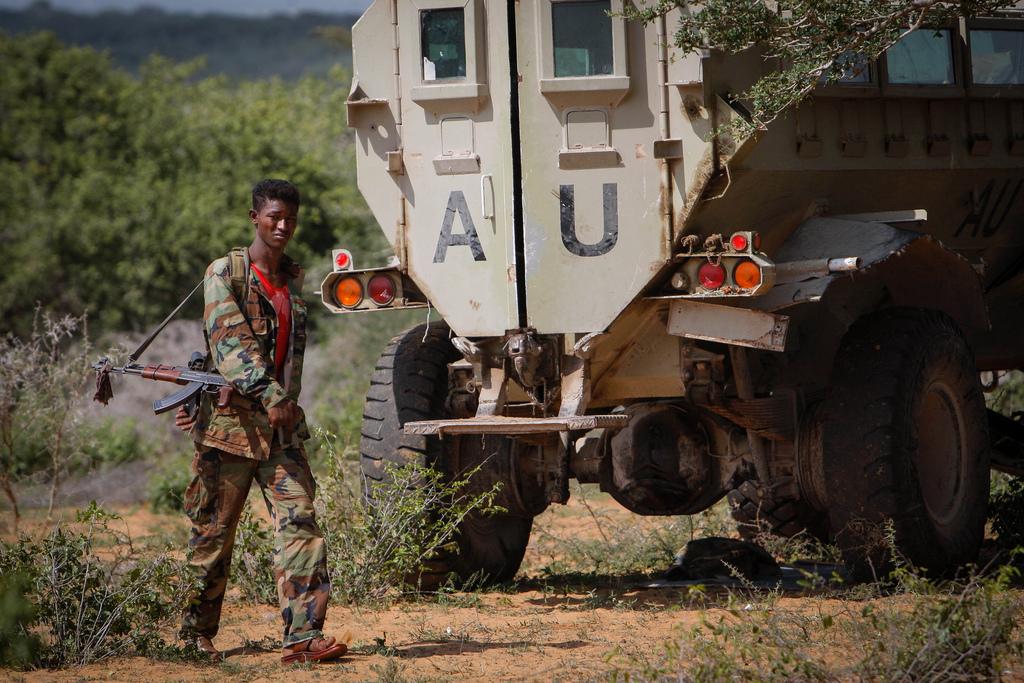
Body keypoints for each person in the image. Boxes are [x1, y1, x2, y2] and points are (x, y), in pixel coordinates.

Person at [175, 179, 346, 664]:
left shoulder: (290, 284)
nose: (282, 225)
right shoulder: (224, 274)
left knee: (301, 525)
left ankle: (303, 636)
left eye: (289, 218)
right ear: (255, 217)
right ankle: (195, 635)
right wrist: (270, 393)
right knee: (213, 535)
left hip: (281, 433)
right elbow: (230, 344)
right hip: (229, 430)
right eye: (273, 216)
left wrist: (281, 403)